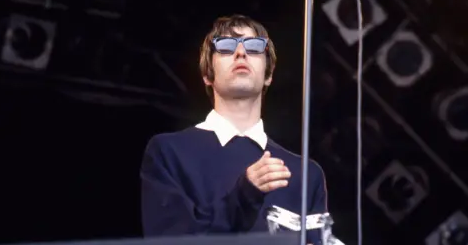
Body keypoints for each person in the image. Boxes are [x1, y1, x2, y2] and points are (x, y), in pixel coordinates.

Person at [140, 14, 328, 244]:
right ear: (208, 75)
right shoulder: (169, 152)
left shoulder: (306, 173)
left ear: (268, 75)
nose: (241, 53)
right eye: (226, 47)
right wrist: (245, 194)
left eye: (254, 46)